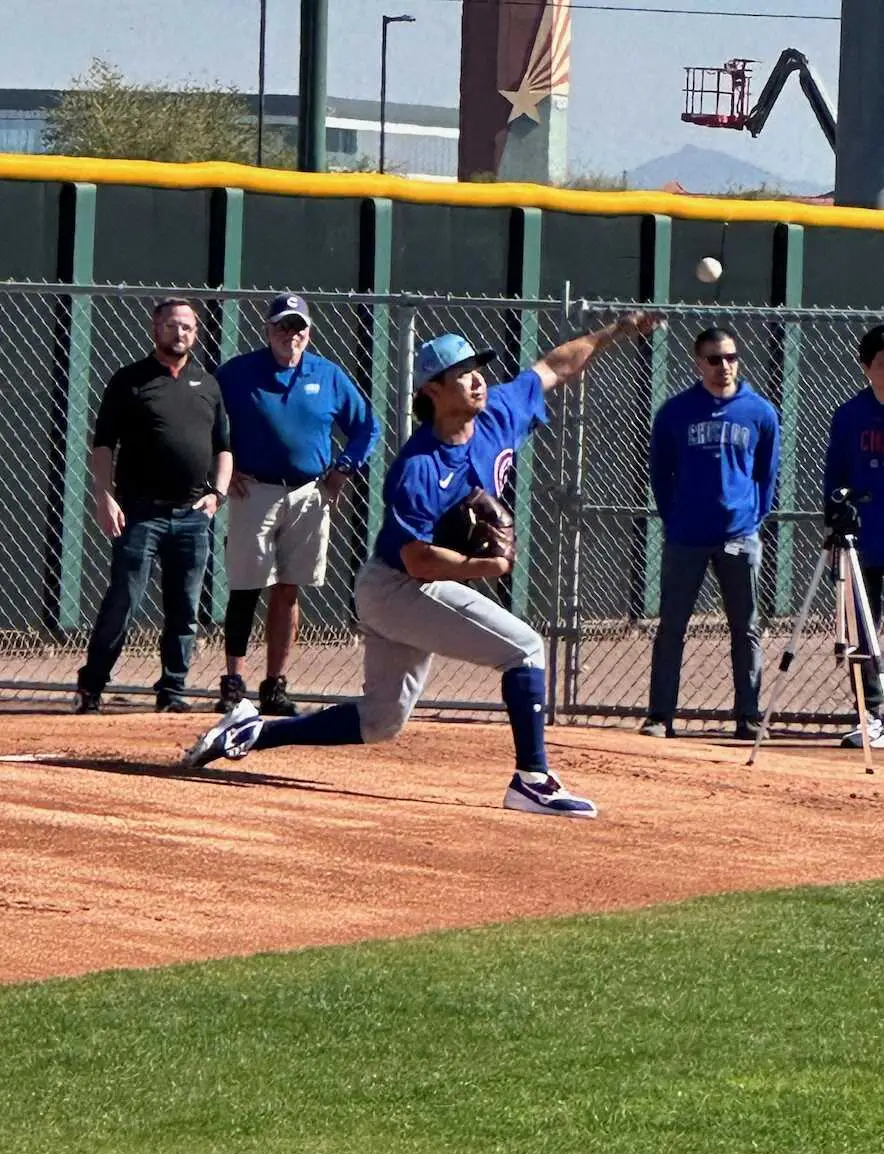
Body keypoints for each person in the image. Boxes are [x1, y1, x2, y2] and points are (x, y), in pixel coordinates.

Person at [183, 312, 661, 818]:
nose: (477, 379)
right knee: (524, 649)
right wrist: (488, 566)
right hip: (397, 587)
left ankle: (252, 731)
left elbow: (553, 368)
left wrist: (615, 332)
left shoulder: (498, 412)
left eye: (478, 369)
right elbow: (418, 559)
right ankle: (533, 780)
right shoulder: (419, 466)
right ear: (433, 389)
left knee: (381, 721)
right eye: (463, 373)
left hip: (410, 585)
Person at [213, 293, 380, 716]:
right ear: (267, 330)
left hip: (309, 493)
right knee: (246, 587)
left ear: (309, 332)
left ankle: (274, 685)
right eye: (283, 326)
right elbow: (203, 417)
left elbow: (366, 427)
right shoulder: (238, 372)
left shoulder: (327, 375)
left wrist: (344, 468)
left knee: (288, 589)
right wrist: (225, 467)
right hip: (254, 491)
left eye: (298, 327)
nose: (291, 334)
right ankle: (234, 683)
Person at [74, 298, 233, 714]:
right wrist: (104, 496)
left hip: (192, 516)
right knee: (123, 600)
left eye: (188, 327)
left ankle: (173, 690)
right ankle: (91, 686)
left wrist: (217, 495)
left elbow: (224, 448)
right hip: (139, 512)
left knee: (184, 607)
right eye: (172, 325)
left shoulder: (208, 384)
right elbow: (103, 445)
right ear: (155, 328)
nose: (180, 333)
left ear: (195, 333)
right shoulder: (129, 381)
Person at [641, 326, 780, 741]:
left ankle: (748, 716)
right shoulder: (676, 412)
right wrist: (674, 517)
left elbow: (767, 475)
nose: (725, 366)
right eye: (715, 359)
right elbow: (660, 473)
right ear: (698, 363)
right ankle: (660, 716)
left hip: (739, 535)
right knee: (672, 626)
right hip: (686, 536)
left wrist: (752, 518)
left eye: (731, 357)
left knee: (746, 627)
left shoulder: (759, 412)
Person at [823, 324, 884, 750]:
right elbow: (835, 477)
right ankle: (872, 715)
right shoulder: (849, 416)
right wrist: (834, 527)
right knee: (862, 630)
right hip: (864, 540)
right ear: (866, 367)